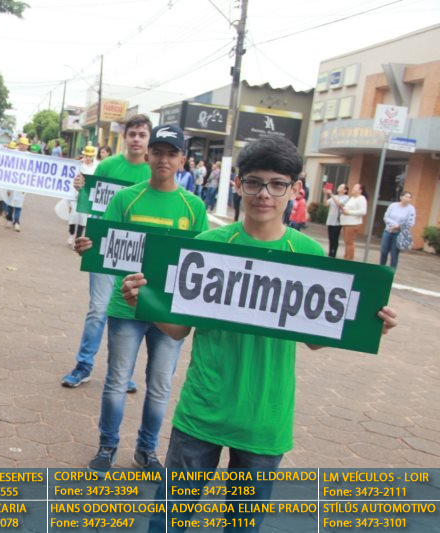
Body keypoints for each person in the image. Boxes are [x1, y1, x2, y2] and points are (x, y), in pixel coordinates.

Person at [121, 136, 398, 532]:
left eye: (277, 184)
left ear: (295, 190)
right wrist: (144, 303)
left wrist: (368, 328)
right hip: (202, 410)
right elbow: (179, 330)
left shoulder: (309, 255)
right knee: (168, 521)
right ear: (238, 185)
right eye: (254, 182)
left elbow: (315, 339)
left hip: (266, 418)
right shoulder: (207, 247)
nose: (264, 194)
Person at [76, 124, 208, 472]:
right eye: (158, 152)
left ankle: (147, 450)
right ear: (148, 156)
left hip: (169, 312)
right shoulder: (125, 199)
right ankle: (107, 446)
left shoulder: (193, 206)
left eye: (171, 153)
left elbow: (203, 261)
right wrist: (88, 247)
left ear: (182, 160)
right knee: (117, 380)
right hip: (126, 307)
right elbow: (104, 244)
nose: (164, 159)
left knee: (160, 386)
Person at [61, 115, 154, 390]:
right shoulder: (108, 166)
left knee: (130, 313)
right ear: (125, 137)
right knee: (98, 309)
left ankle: (122, 372)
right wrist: (81, 189)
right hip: (105, 248)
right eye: (132, 134)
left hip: (137, 254)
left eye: (142, 135)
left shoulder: (153, 172)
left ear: (149, 139)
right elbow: (91, 204)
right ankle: (84, 365)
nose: (136, 139)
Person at [67, 145, 96, 247]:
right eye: (86, 156)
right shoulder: (78, 165)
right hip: (75, 193)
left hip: (87, 195)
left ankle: (77, 239)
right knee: (73, 215)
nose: (88, 158)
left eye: (90, 156)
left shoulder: (96, 167)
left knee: (83, 218)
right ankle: (71, 233)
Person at [380, 191, 416, 269]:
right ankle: (381, 269)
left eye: (409, 197)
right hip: (388, 231)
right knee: (383, 252)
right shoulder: (393, 205)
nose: (408, 199)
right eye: (406, 197)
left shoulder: (411, 209)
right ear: (401, 197)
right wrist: (393, 225)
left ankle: (391, 271)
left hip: (399, 233)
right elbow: (386, 217)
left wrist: (398, 226)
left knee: (394, 254)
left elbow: (410, 223)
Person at [341, 183, 368, 261]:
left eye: (356, 187)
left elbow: (363, 211)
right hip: (346, 222)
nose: (353, 188)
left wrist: (349, 212)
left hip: (353, 223)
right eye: (353, 187)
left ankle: (349, 259)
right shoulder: (352, 198)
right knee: (346, 241)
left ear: (360, 191)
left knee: (350, 242)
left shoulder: (361, 198)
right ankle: (346, 257)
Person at [324, 183, 348, 258]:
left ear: (345, 190)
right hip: (330, 220)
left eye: (341, 187)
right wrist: (325, 194)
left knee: (335, 238)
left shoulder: (346, 198)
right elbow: (326, 204)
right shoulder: (335, 196)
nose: (339, 187)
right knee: (330, 238)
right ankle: (330, 253)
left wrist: (331, 194)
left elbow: (339, 204)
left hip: (337, 221)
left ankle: (333, 254)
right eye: (339, 186)